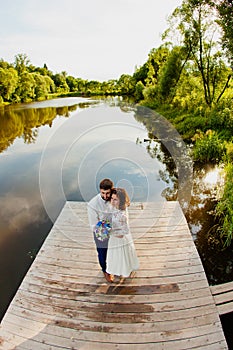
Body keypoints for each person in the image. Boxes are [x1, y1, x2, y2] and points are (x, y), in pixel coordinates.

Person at [106, 188, 139, 280]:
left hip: (119, 240)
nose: (112, 201)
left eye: (115, 199)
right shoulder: (113, 207)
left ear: (121, 201)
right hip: (114, 238)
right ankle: (117, 269)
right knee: (115, 257)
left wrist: (108, 231)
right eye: (112, 198)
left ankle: (124, 271)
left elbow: (121, 234)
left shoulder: (122, 215)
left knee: (121, 257)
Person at [87, 178, 114, 283]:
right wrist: (107, 229)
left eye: (108, 193)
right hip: (100, 232)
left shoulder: (114, 198)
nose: (105, 196)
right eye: (103, 193)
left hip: (114, 229)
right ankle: (105, 270)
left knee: (115, 250)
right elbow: (94, 226)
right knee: (102, 252)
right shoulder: (92, 204)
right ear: (100, 191)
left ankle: (115, 266)